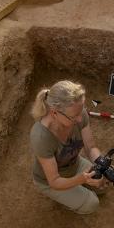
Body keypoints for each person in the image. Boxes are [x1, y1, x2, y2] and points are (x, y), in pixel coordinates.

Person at [30, 80, 108, 214]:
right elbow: (54, 181)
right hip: (51, 181)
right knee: (91, 204)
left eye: (80, 112)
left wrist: (101, 162)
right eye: (74, 116)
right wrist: (83, 179)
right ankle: (68, 199)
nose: (79, 119)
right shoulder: (41, 137)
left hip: (74, 165)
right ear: (54, 113)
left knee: (104, 185)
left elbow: (90, 147)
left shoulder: (78, 112)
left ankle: (78, 190)